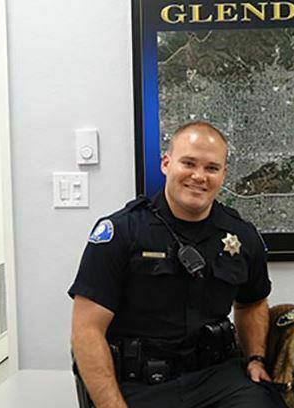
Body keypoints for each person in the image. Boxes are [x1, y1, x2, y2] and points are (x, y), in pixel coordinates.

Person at [69, 121, 280, 408]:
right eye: (188, 163)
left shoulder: (242, 236)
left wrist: (255, 358)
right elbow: (86, 330)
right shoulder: (122, 233)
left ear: (223, 174)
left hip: (216, 378)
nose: (199, 176)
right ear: (166, 163)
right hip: (140, 384)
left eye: (211, 168)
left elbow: (252, 303)